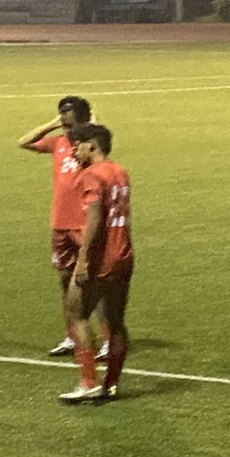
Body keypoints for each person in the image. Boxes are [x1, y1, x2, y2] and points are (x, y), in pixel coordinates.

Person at [17, 95, 109, 359]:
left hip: (83, 225)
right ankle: (72, 336)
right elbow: (24, 142)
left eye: (70, 121)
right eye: (63, 121)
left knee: (95, 282)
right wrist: (53, 124)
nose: (67, 128)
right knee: (65, 281)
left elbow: (100, 144)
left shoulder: (88, 149)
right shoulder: (57, 143)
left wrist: (91, 125)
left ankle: (106, 338)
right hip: (60, 224)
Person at [59, 124, 133, 404]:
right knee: (115, 323)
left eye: (78, 145)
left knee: (76, 314)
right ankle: (111, 384)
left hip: (101, 258)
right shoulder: (120, 172)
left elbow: (94, 218)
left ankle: (88, 381)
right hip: (123, 255)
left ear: (92, 145)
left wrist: (84, 258)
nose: (74, 150)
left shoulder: (92, 175)